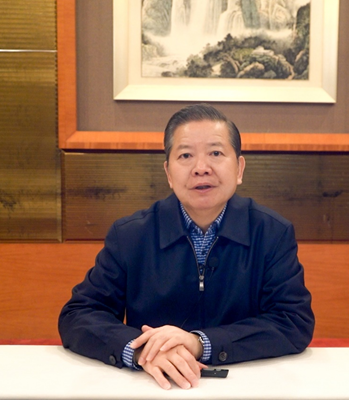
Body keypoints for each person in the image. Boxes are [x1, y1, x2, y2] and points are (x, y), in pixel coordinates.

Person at [58, 103, 315, 390]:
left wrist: (199, 343)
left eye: (216, 153)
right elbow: (78, 315)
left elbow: (293, 322)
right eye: (185, 155)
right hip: (153, 386)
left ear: (239, 168)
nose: (201, 168)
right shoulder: (130, 235)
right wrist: (142, 351)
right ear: (168, 173)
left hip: (247, 386)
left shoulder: (271, 233)